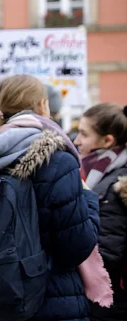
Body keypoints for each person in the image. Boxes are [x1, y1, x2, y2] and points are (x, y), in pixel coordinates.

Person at [0, 75, 99, 321]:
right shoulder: (57, 160)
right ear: (42, 105)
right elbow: (76, 246)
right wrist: (89, 200)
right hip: (47, 300)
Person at [74, 103, 127, 321]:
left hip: (110, 300)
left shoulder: (116, 181)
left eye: (84, 134)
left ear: (108, 140)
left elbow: (108, 250)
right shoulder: (94, 172)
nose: (76, 140)